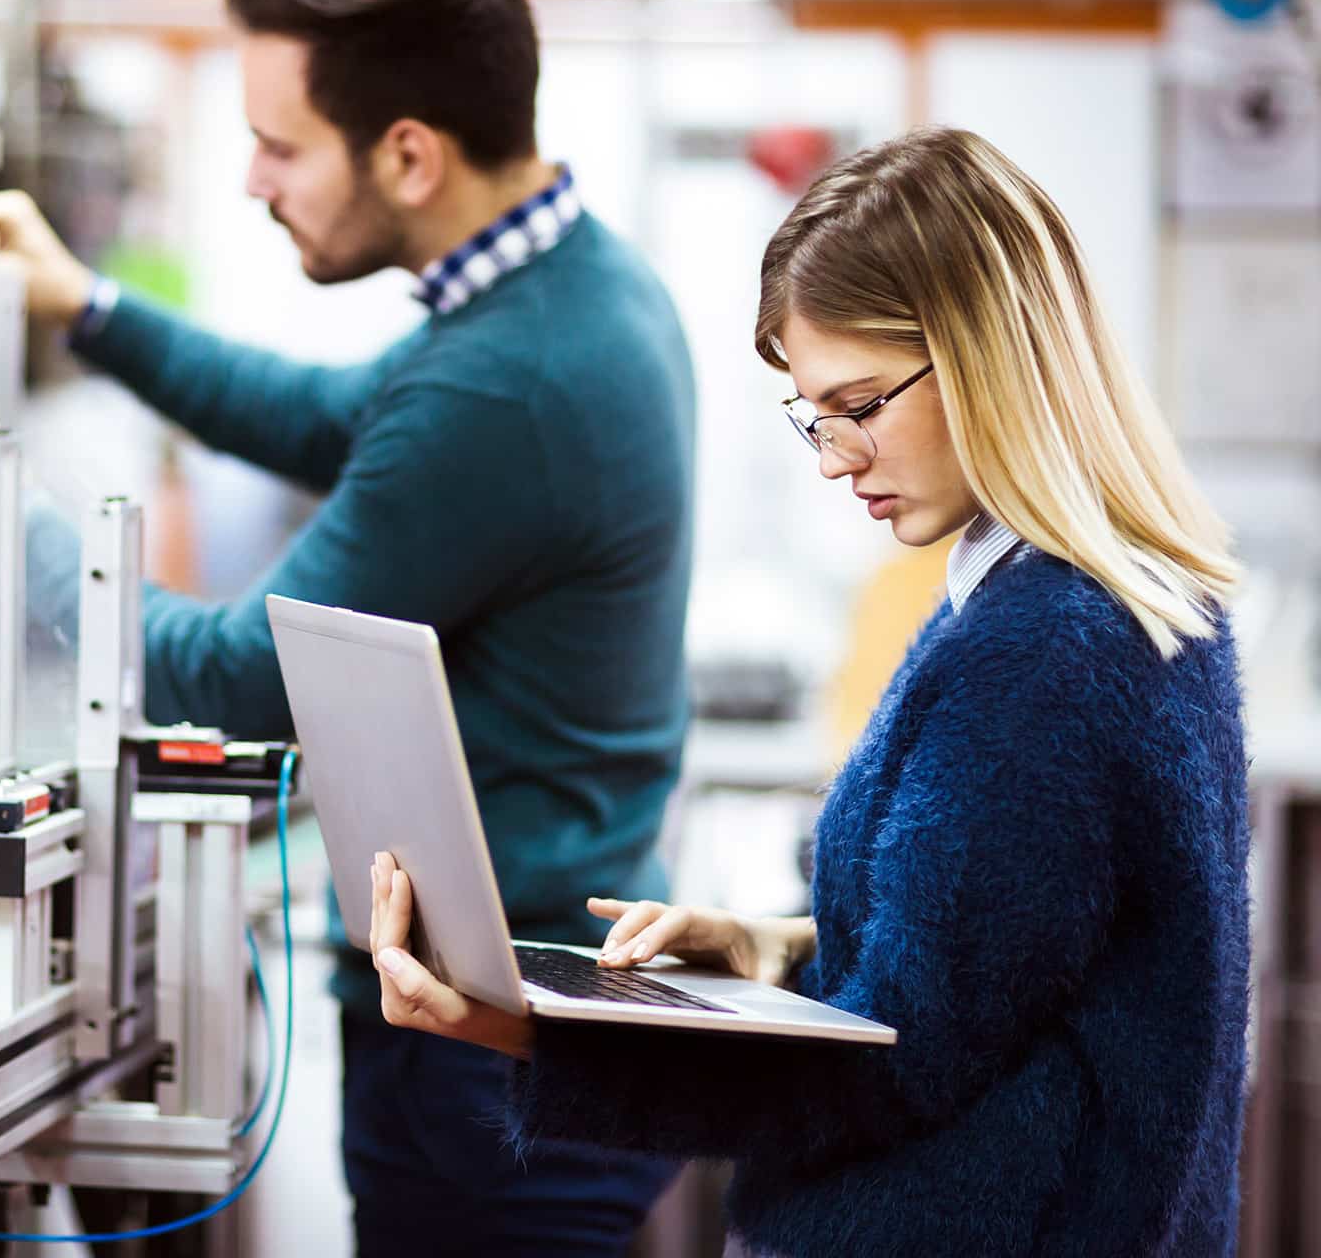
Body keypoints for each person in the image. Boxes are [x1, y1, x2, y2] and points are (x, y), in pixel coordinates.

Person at [0, 0, 696, 1252]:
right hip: (530, 1023)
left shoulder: (507, 380)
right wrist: (88, 307)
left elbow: (235, 676)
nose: (254, 176)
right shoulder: (572, 288)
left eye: (281, 144)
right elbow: (326, 415)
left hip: (492, 1053)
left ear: (409, 153)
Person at [366, 125, 1250, 1258]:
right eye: (814, 415)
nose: (835, 456)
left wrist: (518, 1027)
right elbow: (1015, 975)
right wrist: (770, 946)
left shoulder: (1045, 652)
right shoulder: (1122, 597)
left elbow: (889, 1068)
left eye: (864, 403)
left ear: (990, 351)